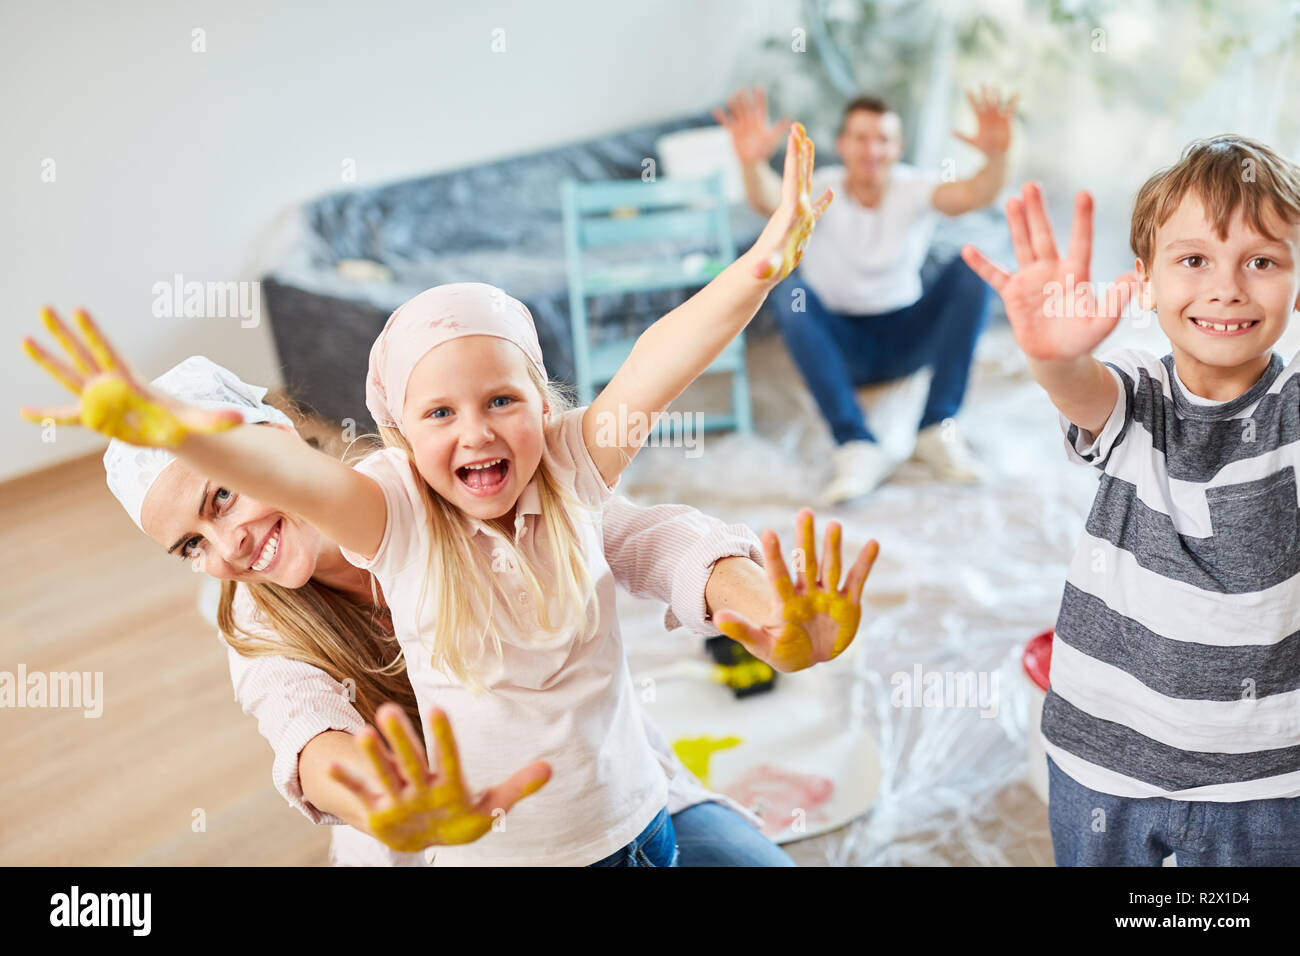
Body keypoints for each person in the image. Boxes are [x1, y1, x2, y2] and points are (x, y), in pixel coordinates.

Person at [22, 123, 881, 866]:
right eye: (191, 548)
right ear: (403, 430)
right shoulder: (354, 543)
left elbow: (649, 443)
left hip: (629, 813)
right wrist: (371, 801)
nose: (228, 552)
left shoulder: (512, 476)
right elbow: (305, 730)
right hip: (446, 839)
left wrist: (762, 609)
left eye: (218, 500)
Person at [961, 136, 1300, 865]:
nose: (1228, 287)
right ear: (1144, 281)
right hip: (1103, 762)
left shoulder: (1292, 408)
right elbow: (1082, 392)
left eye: (1263, 261)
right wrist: (1053, 354)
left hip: (1269, 781)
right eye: (1194, 260)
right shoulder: (1136, 392)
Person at [716, 86, 1013, 501]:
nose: (871, 149)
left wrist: (996, 156)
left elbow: (974, 194)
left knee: (973, 268)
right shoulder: (820, 186)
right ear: (842, 144)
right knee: (789, 292)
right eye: (860, 137)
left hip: (906, 338)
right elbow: (768, 198)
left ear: (897, 147)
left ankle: (936, 428)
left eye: (883, 139)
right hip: (840, 346)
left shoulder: (914, 186)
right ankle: (855, 444)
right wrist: (751, 163)